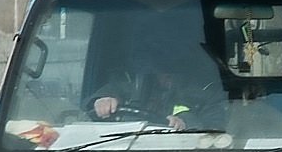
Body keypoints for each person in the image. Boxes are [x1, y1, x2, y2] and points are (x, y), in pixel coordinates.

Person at [91, 40, 224, 129]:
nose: (168, 72)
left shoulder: (208, 91)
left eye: (175, 65)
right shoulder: (134, 83)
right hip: (125, 150)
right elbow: (106, 94)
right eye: (162, 65)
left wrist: (185, 123)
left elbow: (216, 128)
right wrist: (102, 100)